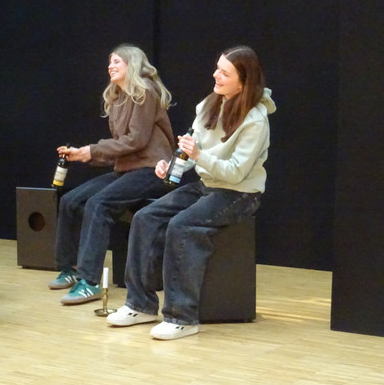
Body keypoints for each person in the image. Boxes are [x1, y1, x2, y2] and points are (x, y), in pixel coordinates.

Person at [106, 45, 275, 340]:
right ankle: (140, 304)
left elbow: (236, 172)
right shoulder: (208, 105)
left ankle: (182, 317)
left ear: (243, 82)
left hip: (239, 193)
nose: (216, 75)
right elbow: (190, 150)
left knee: (181, 226)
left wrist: (198, 155)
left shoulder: (256, 120)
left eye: (225, 72)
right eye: (217, 68)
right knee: (145, 217)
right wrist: (172, 166)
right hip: (207, 185)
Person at [49, 44, 175, 305]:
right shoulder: (117, 99)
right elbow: (120, 148)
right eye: (110, 62)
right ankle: (69, 268)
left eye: (117, 61)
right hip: (127, 168)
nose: (111, 66)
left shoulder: (145, 92)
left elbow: (137, 140)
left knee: (99, 204)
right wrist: (83, 154)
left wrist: (92, 150)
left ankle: (89, 282)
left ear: (133, 64)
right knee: (70, 201)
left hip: (152, 169)